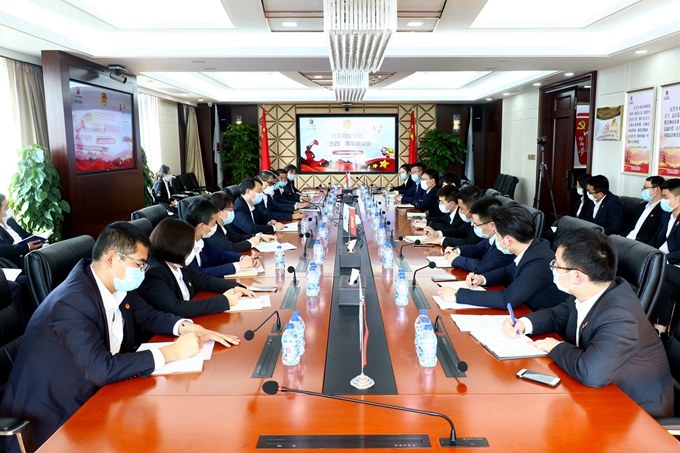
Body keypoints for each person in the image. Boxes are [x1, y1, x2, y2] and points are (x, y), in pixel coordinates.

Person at [0, 222, 240, 452]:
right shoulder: (71, 302)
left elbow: (148, 316)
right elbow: (98, 368)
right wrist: (172, 352)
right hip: (55, 419)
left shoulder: (114, 284)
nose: (143, 271)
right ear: (112, 259)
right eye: (140, 264)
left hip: (102, 396)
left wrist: (187, 327)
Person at [502, 228, 673, 418]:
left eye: (556, 265)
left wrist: (555, 346)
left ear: (577, 276)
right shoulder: (591, 291)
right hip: (601, 391)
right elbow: (556, 316)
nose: (552, 268)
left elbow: (591, 373)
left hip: (638, 413)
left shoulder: (620, 315)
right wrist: (524, 323)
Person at [438, 205, 563, 311]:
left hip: (538, 318)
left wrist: (458, 295)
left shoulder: (538, 262)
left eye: (497, 236)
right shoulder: (532, 247)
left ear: (508, 240)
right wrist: (482, 279)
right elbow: (507, 272)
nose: (496, 240)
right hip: (524, 309)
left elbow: (507, 299)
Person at [137, 218, 255, 317]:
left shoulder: (178, 264)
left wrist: (236, 287)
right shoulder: (154, 273)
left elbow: (205, 280)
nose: (193, 251)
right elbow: (177, 308)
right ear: (175, 246)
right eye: (190, 246)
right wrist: (224, 301)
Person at [184, 198, 258, 278]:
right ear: (201, 226)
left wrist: (242, 257)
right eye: (214, 223)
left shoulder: (201, 240)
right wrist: (238, 266)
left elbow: (220, 255)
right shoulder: (184, 246)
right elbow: (199, 274)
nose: (215, 226)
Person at [443, 196, 514, 274]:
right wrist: (457, 250)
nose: (473, 225)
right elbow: (476, 248)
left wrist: (456, 259)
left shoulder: (504, 243)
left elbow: (482, 267)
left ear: (491, 225)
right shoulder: (491, 237)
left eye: (476, 224)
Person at [647, 178, 680, 333]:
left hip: (674, 266)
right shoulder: (667, 216)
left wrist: (660, 260)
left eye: (666, 197)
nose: (663, 201)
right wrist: (647, 252)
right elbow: (656, 237)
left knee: (657, 269)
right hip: (669, 268)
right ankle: (659, 332)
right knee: (663, 287)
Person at [207, 192, 274, 252]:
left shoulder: (223, 225)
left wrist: (259, 236)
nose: (232, 212)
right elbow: (231, 248)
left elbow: (238, 238)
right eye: (230, 209)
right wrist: (251, 242)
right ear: (219, 212)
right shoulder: (212, 230)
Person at [0, 193, 42, 269]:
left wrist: (39, 240)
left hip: (29, 255)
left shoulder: (10, 221)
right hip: (15, 263)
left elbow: (25, 234)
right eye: (6, 206)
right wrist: (27, 247)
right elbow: (2, 249)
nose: (9, 208)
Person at [620, 175, 664, 244]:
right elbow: (630, 227)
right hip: (627, 239)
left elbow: (655, 235)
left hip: (640, 244)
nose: (643, 190)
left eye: (645, 187)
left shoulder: (662, 210)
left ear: (657, 190)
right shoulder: (641, 206)